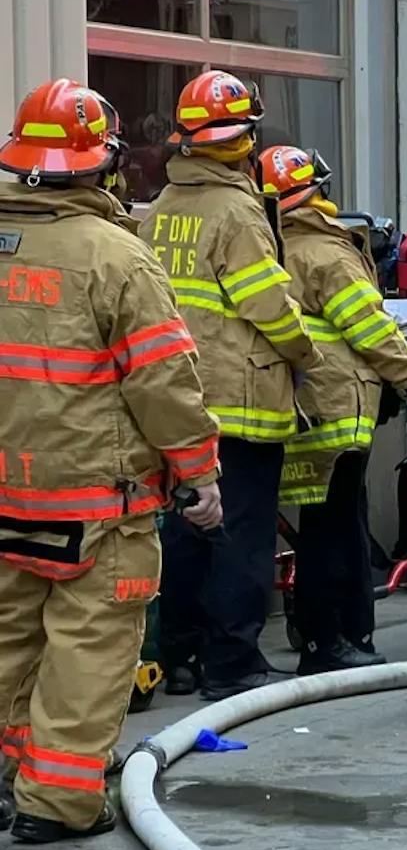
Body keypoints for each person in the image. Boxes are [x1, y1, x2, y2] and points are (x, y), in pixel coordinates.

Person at [0, 79, 222, 842]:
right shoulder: (115, 257)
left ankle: (11, 778)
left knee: (6, 642)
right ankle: (57, 802)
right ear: (103, 165)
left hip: (6, 494)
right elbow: (164, 383)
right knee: (89, 646)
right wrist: (199, 473)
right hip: (97, 498)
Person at [141, 69, 318, 701]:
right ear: (247, 138)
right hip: (241, 398)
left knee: (188, 533)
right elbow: (266, 302)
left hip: (178, 398)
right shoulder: (238, 209)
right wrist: (307, 355)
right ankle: (234, 662)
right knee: (241, 535)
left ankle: (180, 657)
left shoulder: (160, 208)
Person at [259, 145, 407, 674]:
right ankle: (329, 641)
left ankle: (339, 636)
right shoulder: (326, 253)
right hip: (338, 406)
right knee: (333, 528)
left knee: (323, 524)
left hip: (302, 402)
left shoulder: (272, 247)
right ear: (317, 194)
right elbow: (369, 326)